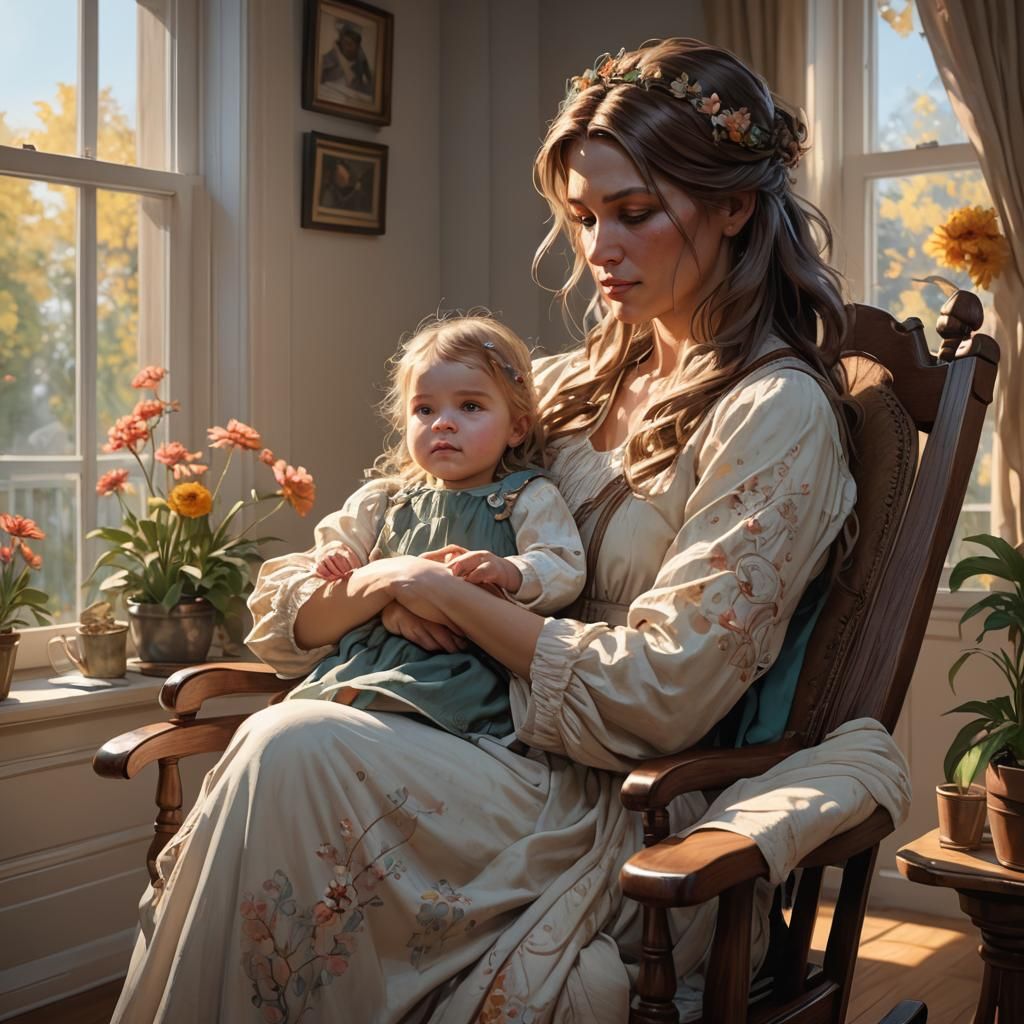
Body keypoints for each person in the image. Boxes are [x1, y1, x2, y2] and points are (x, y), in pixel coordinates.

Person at [110, 39, 909, 1023]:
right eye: (580, 218)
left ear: (735, 206)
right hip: (469, 745)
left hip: (613, 799)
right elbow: (354, 545)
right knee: (292, 741)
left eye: (633, 213)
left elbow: (664, 690)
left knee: (291, 749)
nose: (598, 250)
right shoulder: (565, 387)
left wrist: (446, 597)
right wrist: (374, 587)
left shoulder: (772, 412)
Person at [288, 314, 586, 738]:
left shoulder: (527, 497)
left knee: (332, 729)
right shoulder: (387, 499)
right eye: (424, 409)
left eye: (470, 407)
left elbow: (563, 565)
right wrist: (338, 558)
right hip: (375, 657)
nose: (443, 423)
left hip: (463, 667)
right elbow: (338, 544)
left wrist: (512, 571)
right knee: (310, 720)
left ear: (517, 427)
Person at [320, 20, 373, 97]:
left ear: (358, 46)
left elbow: (355, 83)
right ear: (340, 42)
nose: (349, 48)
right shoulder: (327, 60)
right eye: (346, 43)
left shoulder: (361, 64)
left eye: (353, 44)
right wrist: (338, 53)